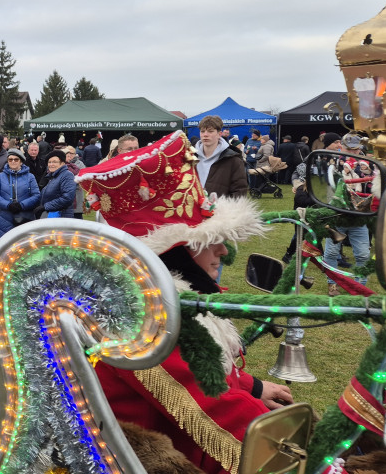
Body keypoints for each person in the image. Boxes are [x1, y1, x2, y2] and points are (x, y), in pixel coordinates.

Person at [77, 130, 292, 474]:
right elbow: (212, 406)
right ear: (175, 251)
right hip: (147, 460)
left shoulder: (165, 297)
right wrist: (294, 452)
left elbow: (212, 377)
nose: (223, 251)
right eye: (211, 240)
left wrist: (252, 386)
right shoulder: (146, 315)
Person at [321, 133, 371, 294]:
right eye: (350, 149)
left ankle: (359, 286)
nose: (354, 152)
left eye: (357, 149)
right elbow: (325, 185)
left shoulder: (367, 165)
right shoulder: (331, 163)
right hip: (337, 215)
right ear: (342, 146)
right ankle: (332, 284)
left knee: (363, 254)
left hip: (358, 216)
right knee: (331, 252)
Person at [0, 149, 41, 241]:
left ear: (21, 161)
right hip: (3, 217)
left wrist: (22, 205)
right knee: (4, 246)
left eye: (16, 159)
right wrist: (7, 205)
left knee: (24, 246)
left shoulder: (30, 177)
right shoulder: (0, 176)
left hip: (24, 216)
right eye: (10, 159)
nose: (13, 161)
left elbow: (36, 195)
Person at [195, 115, 248, 198]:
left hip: (220, 209)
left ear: (219, 134)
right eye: (202, 131)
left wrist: (221, 209)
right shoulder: (189, 157)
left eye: (210, 131)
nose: (205, 134)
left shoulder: (233, 160)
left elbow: (239, 192)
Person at [36, 151, 77, 218]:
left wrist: (46, 206)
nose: (51, 164)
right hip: (51, 215)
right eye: (49, 162)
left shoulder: (67, 175)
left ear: (62, 163)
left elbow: (67, 198)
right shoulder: (53, 177)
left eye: (54, 162)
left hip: (61, 217)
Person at [63, 147, 86, 219]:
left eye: (71, 154)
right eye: (68, 154)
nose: (70, 156)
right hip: (67, 196)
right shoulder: (63, 165)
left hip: (77, 194)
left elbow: (83, 176)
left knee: (78, 217)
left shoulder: (79, 164)